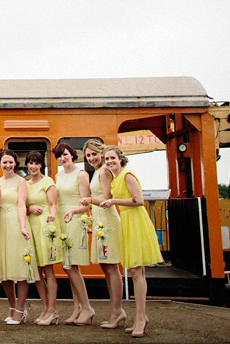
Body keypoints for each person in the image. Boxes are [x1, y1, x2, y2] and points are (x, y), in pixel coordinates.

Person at [100, 145, 163, 338]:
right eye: (107, 159)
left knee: (137, 271)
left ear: (120, 159)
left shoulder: (127, 175)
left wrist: (113, 202)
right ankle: (140, 317)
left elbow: (138, 200)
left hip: (136, 221)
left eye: (112, 158)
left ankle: (140, 318)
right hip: (127, 222)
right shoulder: (115, 177)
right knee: (136, 271)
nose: (110, 161)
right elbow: (108, 199)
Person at [79, 139, 124, 329]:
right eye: (88, 155)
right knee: (107, 267)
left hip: (107, 220)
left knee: (112, 267)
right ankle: (115, 311)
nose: (91, 158)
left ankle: (117, 311)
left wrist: (89, 199)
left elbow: (107, 199)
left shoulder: (104, 171)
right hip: (99, 219)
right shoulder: (97, 171)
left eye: (94, 154)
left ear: (101, 153)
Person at [52, 142, 93, 325]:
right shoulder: (58, 175)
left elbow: (87, 204)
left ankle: (86, 308)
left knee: (71, 266)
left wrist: (73, 212)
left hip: (75, 220)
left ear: (72, 155)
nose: (63, 158)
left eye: (65, 154)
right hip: (62, 220)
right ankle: (77, 308)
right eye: (59, 156)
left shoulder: (81, 174)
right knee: (69, 267)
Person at [0, 149, 32, 326]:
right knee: (5, 271)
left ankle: (21, 309)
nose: (7, 165)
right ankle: (12, 306)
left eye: (10, 162)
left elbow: (22, 205)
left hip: (16, 224)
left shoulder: (21, 181)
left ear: (15, 164)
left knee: (20, 269)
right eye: (4, 162)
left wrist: (23, 226)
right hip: (1, 225)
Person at [26, 150, 60, 325]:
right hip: (31, 227)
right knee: (37, 271)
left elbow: (53, 204)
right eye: (30, 163)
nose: (33, 166)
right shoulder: (25, 184)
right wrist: (30, 209)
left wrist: (52, 218)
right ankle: (45, 308)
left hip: (45, 226)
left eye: (36, 163)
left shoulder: (48, 182)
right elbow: (22, 205)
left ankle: (52, 310)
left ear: (41, 165)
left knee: (48, 270)